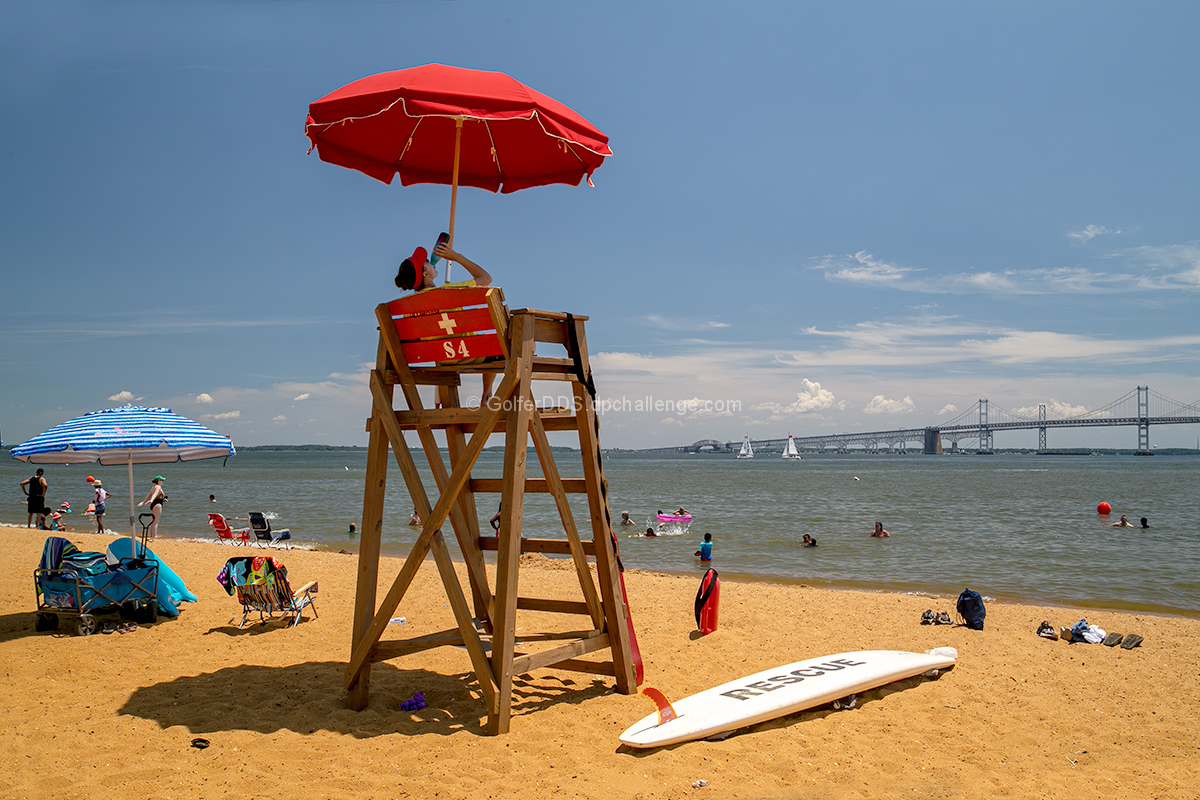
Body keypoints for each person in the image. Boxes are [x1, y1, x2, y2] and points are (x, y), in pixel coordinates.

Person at [394, 242, 496, 403]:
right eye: (426, 262)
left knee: (491, 342)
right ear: (425, 275)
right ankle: (487, 394)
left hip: (443, 360)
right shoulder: (449, 293)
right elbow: (485, 278)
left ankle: (488, 395)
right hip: (473, 353)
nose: (430, 262)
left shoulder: (408, 309)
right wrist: (455, 257)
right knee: (523, 344)